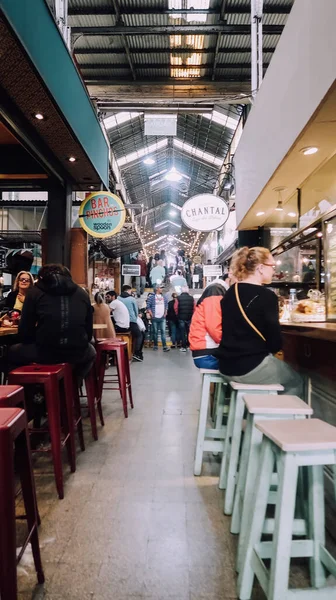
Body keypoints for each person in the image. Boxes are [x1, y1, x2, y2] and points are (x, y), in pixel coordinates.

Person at [217, 247, 303, 396]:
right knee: (295, 381)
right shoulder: (267, 296)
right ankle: (275, 418)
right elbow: (275, 344)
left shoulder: (231, 291)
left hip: (226, 366)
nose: (274, 270)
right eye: (272, 266)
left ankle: (257, 412)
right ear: (261, 268)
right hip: (250, 367)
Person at [9, 264, 96, 379]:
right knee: (92, 352)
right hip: (77, 352)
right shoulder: (82, 293)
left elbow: (25, 332)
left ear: (41, 278)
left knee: (10, 353)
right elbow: (88, 332)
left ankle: (29, 391)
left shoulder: (34, 293)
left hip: (44, 352)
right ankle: (72, 384)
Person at [189, 280, 227, 369]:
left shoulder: (210, 294)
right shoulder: (215, 292)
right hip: (208, 354)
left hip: (203, 352)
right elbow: (214, 328)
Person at [119, 284, 144, 362]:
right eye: (130, 291)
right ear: (127, 290)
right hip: (131, 321)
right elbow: (136, 311)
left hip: (121, 322)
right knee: (140, 335)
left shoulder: (118, 298)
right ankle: (137, 353)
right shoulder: (131, 299)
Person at [146, 285, 170, 352]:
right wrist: (151, 314)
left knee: (163, 332)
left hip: (162, 317)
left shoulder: (164, 297)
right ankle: (155, 345)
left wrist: (165, 312)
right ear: (157, 289)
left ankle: (164, 346)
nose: (162, 289)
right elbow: (148, 306)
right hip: (155, 317)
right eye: (160, 288)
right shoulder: (151, 297)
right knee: (155, 332)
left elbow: (166, 305)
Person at [177, 287, 195, 352]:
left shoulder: (178, 298)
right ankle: (189, 345)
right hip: (189, 317)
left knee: (182, 332)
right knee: (189, 332)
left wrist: (178, 314)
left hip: (181, 317)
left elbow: (175, 307)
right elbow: (194, 307)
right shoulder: (191, 298)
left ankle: (183, 346)